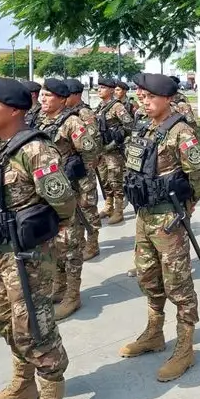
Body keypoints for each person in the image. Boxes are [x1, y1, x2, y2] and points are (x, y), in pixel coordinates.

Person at [0, 76, 75, 399]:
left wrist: (44, 231)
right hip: (1, 253)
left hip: (29, 255)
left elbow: (64, 202)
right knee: (5, 320)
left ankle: (51, 398)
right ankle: (23, 383)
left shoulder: (36, 150)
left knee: (35, 325)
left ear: (15, 110)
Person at [119, 73, 200, 382]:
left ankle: (185, 348)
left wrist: (189, 202)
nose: (143, 101)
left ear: (167, 98)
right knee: (148, 276)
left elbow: (198, 172)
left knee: (178, 285)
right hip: (144, 216)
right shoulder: (145, 127)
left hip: (168, 219)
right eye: (141, 96)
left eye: (149, 97)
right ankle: (154, 333)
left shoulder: (181, 132)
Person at [37, 79, 101, 320]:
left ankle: (73, 294)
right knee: (52, 242)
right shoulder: (40, 120)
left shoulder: (72, 122)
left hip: (68, 192)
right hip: (47, 193)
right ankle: (58, 286)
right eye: (42, 95)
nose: (43, 99)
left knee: (70, 244)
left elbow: (90, 150)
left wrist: (77, 173)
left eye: (49, 96)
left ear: (62, 100)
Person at [64, 79, 102, 260]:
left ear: (77, 95)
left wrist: (87, 168)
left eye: (68, 95)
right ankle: (79, 242)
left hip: (83, 169)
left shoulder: (84, 112)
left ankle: (93, 243)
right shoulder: (66, 114)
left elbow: (92, 142)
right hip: (70, 170)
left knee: (87, 206)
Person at [95, 78, 134, 224]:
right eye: (99, 87)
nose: (99, 90)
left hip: (114, 151)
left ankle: (119, 211)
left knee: (115, 180)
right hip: (102, 150)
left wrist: (117, 139)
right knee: (104, 180)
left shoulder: (117, 107)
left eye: (103, 88)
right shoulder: (100, 106)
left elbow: (129, 125)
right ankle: (108, 206)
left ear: (111, 90)